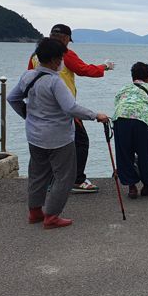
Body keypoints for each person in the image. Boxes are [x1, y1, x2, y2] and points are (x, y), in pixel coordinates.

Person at [9, 38, 109, 229]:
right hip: (59, 138)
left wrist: (27, 115)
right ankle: (52, 215)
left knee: (38, 173)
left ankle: (35, 211)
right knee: (65, 176)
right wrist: (96, 115)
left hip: (34, 135)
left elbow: (12, 98)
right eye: (61, 58)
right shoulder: (55, 81)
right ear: (56, 60)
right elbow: (71, 108)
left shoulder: (27, 76)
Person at [27, 24, 114, 193]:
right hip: (64, 108)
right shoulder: (65, 54)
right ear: (66, 38)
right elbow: (84, 70)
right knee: (81, 142)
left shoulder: (35, 55)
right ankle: (77, 180)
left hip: (40, 108)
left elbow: (29, 77)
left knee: (48, 146)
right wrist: (105, 67)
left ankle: (47, 180)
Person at [112, 62, 148, 199]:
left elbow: (117, 105)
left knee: (124, 154)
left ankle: (132, 188)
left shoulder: (123, 89)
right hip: (142, 121)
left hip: (120, 120)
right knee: (145, 154)